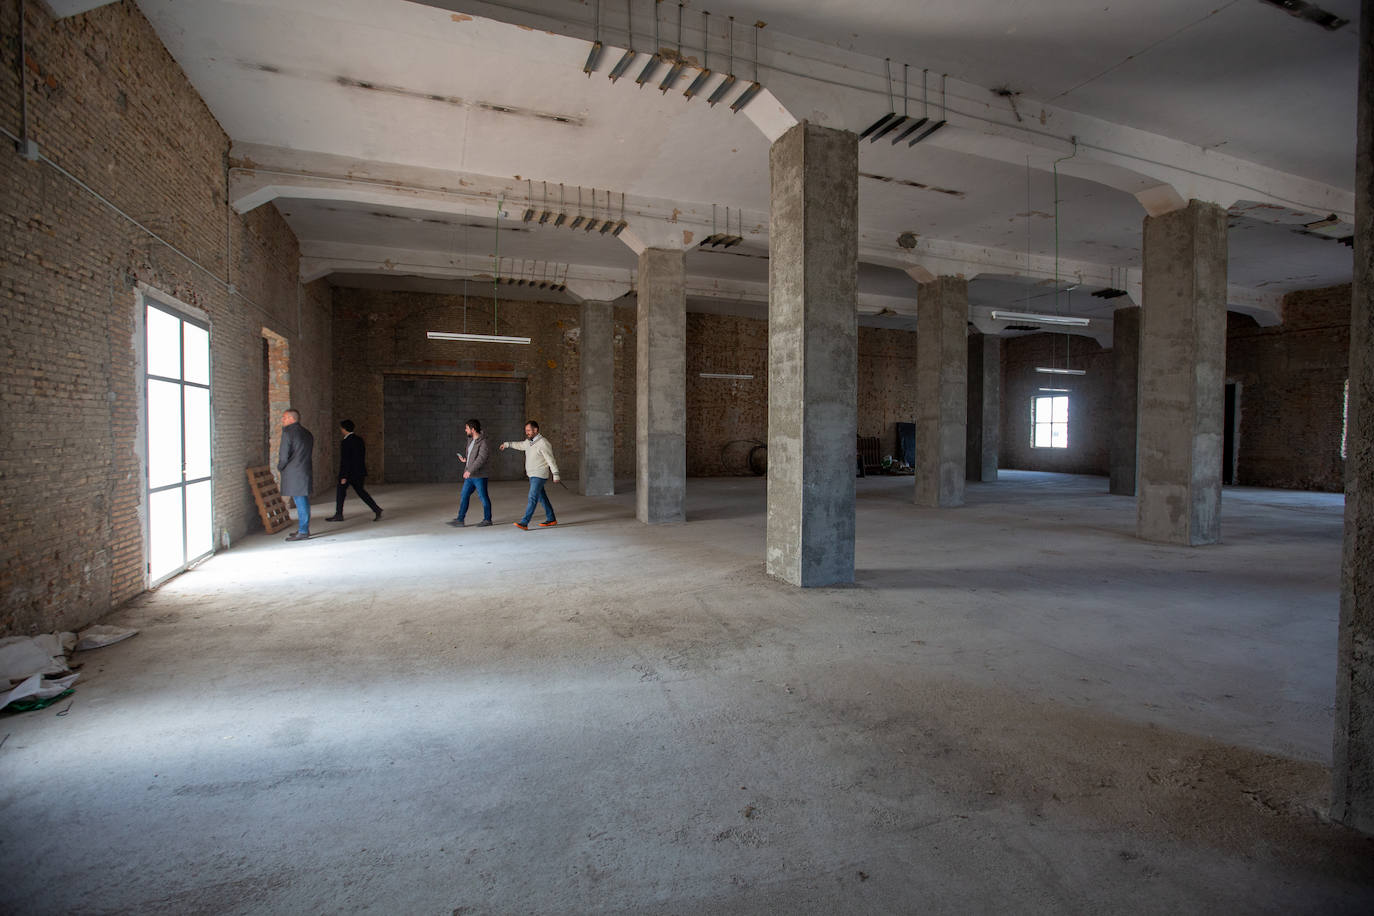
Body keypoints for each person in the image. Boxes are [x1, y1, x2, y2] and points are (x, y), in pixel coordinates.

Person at [500, 420, 559, 530]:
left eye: (528, 430)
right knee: (542, 497)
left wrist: (555, 474)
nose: (526, 432)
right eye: (526, 430)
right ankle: (551, 519)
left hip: (539, 475)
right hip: (532, 475)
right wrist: (507, 444)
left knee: (532, 497)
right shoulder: (529, 442)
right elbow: (520, 445)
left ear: (535, 430)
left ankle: (524, 522)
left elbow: (550, 459)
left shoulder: (543, 443)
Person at [325, 419, 382, 523]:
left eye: (341, 428)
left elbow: (346, 460)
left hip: (349, 473)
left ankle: (339, 514)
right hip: (359, 471)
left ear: (344, 429)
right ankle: (376, 509)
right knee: (361, 492)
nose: (341, 430)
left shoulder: (346, 442)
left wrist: (343, 476)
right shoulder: (359, 439)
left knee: (341, 493)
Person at [277, 408, 314, 542]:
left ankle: (303, 531)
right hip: (304, 471)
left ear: (292, 419)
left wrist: (280, 467)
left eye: (285, 417)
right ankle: (303, 529)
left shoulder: (288, 432)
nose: (283, 420)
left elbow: (284, 455)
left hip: (294, 473)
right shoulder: (307, 433)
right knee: (302, 500)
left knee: (300, 501)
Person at [448, 418, 493, 528]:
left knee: (483, 497)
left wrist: (469, 470)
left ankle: (487, 519)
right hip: (470, 475)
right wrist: (466, 460)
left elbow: (481, 459)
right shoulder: (471, 440)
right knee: (464, 495)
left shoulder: (484, 442)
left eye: (467, 428)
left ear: (473, 429)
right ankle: (460, 519)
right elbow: (472, 456)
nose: (465, 430)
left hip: (479, 476)